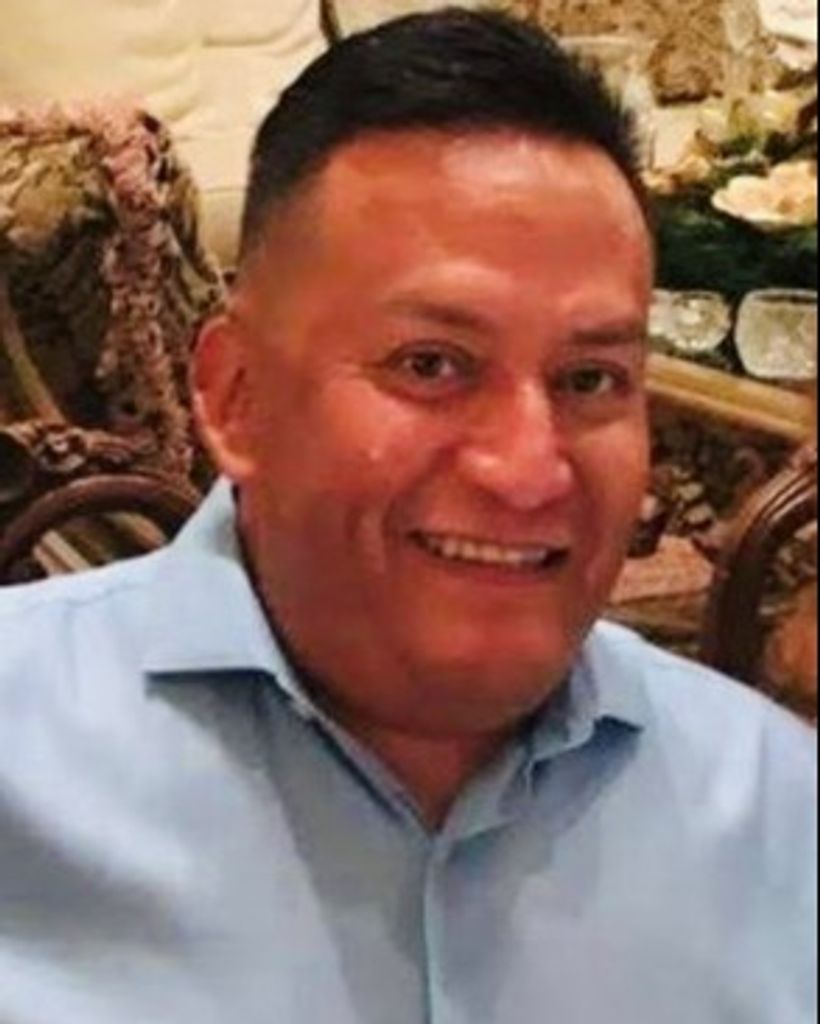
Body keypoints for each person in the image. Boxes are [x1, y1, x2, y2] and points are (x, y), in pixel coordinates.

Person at [0, 10, 815, 1023]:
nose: (527, 471)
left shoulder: (774, 813)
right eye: (431, 365)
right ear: (235, 394)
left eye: (590, 378)